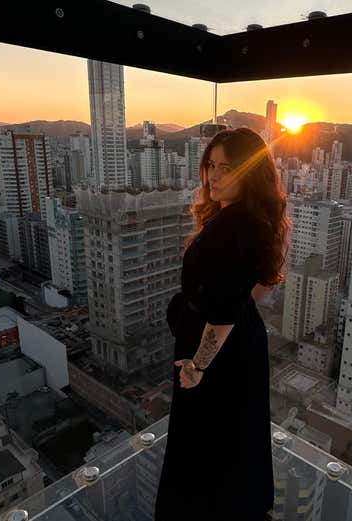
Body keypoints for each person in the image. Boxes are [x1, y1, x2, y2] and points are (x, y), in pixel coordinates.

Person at [154, 128, 290, 521]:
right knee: (234, 437)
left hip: (216, 354)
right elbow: (258, 283)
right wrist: (231, 306)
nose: (213, 176)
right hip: (240, 343)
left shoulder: (234, 226)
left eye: (226, 168)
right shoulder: (250, 220)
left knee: (202, 444)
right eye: (210, 165)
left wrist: (198, 365)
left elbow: (225, 311)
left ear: (249, 173)